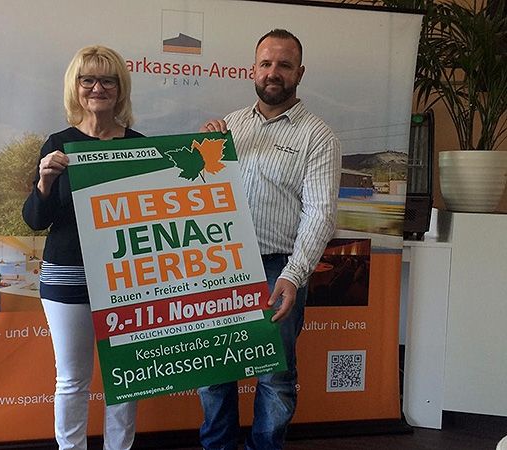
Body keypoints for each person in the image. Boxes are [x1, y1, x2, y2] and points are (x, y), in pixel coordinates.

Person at [198, 29, 341, 450]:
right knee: (213, 371)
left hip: (277, 269)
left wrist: (295, 275)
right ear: (253, 69)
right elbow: (201, 195)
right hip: (220, 267)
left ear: (299, 71)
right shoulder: (231, 125)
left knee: (274, 379)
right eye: (265, 63)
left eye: (283, 64)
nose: (273, 72)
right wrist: (203, 150)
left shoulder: (319, 136)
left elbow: (321, 214)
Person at [22, 45, 143, 450]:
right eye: (87, 79)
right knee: (72, 378)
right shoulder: (58, 145)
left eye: (107, 79)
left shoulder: (141, 147)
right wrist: (44, 182)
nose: (97, 87)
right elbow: (36, 220)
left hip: (127, 277)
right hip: (68, 273)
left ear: (119, 88)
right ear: (75, 87)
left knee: (125, 379)